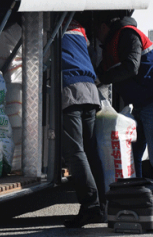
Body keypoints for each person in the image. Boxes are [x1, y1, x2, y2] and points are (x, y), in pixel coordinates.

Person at [93, 13, 153, 213]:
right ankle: (140, 201)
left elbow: (131, 67)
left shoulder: (127, 35)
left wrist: (103, 78)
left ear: (105, 27)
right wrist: (97, 77)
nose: (96, 36)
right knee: (133, 155)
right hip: (141, 102)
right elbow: (104, 70)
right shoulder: (111, 44)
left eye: (97, 30)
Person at [61, 19, 105, 228]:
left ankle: (90, 205)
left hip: (71, 91)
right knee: (90, 149)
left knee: (75, 151)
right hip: (90, 91)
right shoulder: (79, 29)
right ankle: (102, 204)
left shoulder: (50, 26)